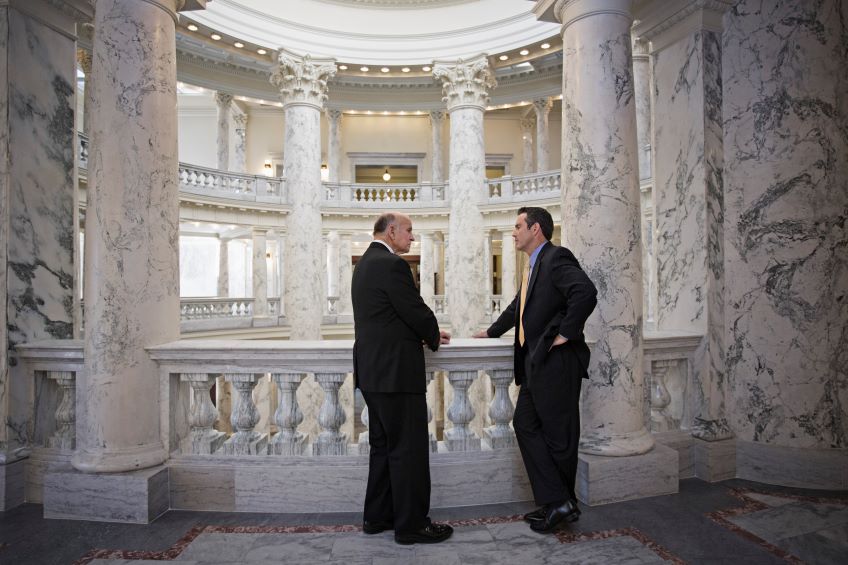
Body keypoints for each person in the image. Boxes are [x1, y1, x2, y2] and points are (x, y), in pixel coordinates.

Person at [473, 206, 597, 533]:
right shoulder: (533, 265)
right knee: (525, 423)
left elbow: (585, 293)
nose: (513, 232)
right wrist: (491, 332)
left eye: (517, 226)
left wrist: (565, 334)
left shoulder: (556, 257)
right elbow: (519, 306)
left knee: (559, 438)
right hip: (536, 365)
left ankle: (559, 504)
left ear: (536, 229)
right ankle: (558, 502)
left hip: (557, 363)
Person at [352, 212, 453, 545]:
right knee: (407, 450)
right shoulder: (392, 265)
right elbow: (414, 309)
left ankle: (377, 517)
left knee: (383, 448)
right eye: (409, 231)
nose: (412, 238)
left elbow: (386, 316)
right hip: (396, 374)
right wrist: (433, 334)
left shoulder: (364, 264)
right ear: (391, 230)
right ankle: (411, 526)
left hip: (372, 373)